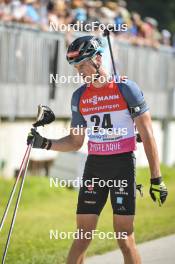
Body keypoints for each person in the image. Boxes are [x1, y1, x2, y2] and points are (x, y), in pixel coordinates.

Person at [27, 35, 168, 264]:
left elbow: (148, 134)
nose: (79, 71)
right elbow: (75, 142)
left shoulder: (126, 88)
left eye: (82, 64)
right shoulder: (79, 96)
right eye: (75, 66)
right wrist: (45, 143)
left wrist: (156, 178)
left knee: (124, 237)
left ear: (98, 59)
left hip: (122, 166)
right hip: (95, 167)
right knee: (83, 235)